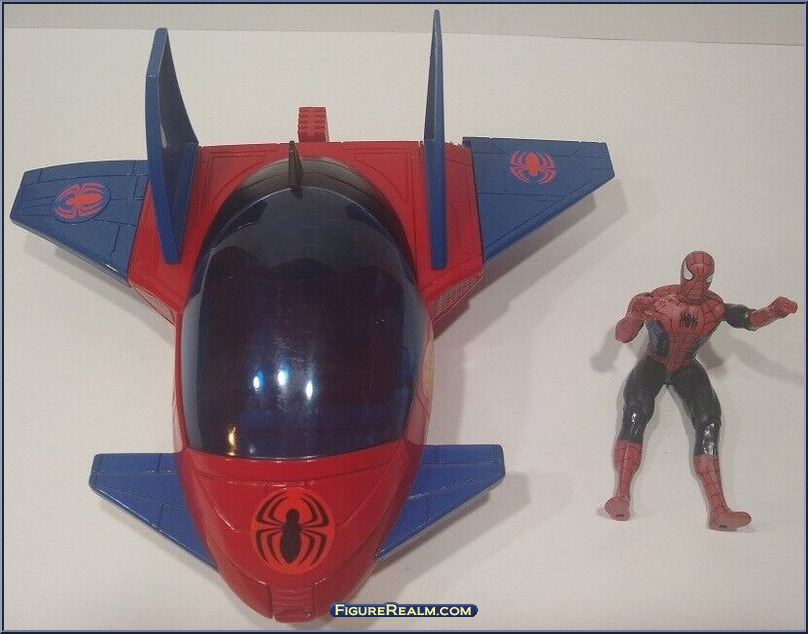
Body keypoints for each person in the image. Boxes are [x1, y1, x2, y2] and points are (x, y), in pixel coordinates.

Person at [606, 251, 797, 530]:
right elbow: (623, 335)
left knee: (709, 422)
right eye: (692, 276)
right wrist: (634, 313)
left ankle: (719, 509)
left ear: (711, 279)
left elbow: (748, 318)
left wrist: (773, 312)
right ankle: (621, 495)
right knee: (635, 414)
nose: (697, 284)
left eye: (705, 279)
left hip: (686, 366)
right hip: (654, 362)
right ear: (682, 273)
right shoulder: (656, 299)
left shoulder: (715, 307)